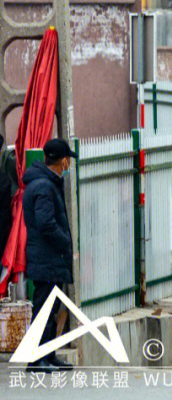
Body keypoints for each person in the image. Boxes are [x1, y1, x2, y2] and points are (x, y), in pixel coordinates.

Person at [23, 138, 76, 372]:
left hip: (49, 258)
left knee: (51, 309)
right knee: (43, 308)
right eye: (67, 159)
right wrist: (65, 242)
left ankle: (47, 355)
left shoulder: (46, 183)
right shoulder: (44, 186)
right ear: (62, 160)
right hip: (46, 258)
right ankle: (35, 359)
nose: (68, 164)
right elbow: (46, 224)